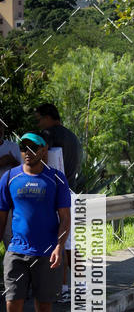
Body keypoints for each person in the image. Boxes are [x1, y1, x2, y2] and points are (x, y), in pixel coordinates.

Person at [0, 133, 71, 312]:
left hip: (46, 252)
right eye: (23, 147)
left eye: (33, 147)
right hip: (16, 251)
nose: (28, 151)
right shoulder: (10, 177)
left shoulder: (56, 179)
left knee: (43, 306)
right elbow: (2, 216)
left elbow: (64, 219)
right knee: (13, 303)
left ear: (44, 150)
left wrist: (59, 247)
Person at [35, 103, 82, 301]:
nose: (37, 123)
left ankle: (62, 289)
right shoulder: (73, 137)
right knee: (72, 244)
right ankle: (80, 285)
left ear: (48, 117)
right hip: (74, 192)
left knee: (59, 242)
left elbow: (43, 162)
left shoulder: (48, 134)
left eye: (38, 119)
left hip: (56, 194)